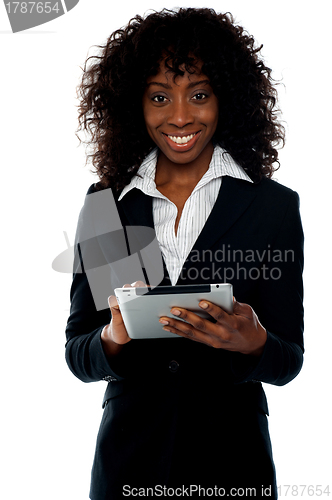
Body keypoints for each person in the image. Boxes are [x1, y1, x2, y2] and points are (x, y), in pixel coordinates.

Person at [65, 7, 304, 500]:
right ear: (135, 104)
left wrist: (253, 342)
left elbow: (288, 359)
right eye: (159, 97)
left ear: (226, 99)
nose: (179, 116)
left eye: (199, 94)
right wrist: (112, 336)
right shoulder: (107, 204)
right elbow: (78, 353)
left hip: (234, 465)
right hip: (129, 466)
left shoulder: (272, 207)